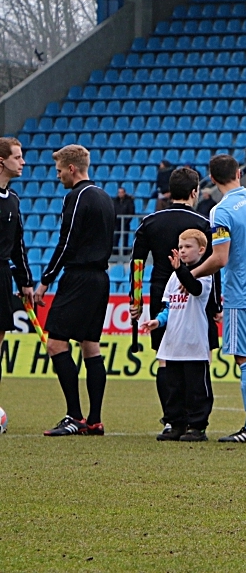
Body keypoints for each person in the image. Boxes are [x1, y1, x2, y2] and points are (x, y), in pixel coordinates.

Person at [191, 154, 246, 443]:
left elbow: (220, 258)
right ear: (239, 173)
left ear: (212, 179)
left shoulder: (221, 211)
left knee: (245, 358)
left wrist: (192, 273)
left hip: (242, 291)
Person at [130, 168, 220, 433]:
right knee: (198, 360)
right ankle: (195, 420)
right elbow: (215, 265)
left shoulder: (150, 221)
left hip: (162, 289)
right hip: (195, 293)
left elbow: (137, 263)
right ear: (194, 192)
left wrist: (135, 300)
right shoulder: (203, 223)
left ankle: (172, 420)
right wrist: (216, 305)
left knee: (165, 360)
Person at [35, 145, 115, 437]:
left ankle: (74, 416)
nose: (57, 177)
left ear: (71, 168)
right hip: (100, 279)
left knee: (56, 343)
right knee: (90, 345)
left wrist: (46, 280)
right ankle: (94, 420)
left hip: (79, 278)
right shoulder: (104, 196)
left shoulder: (77, 196)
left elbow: (66, 243)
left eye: (58, 171)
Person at [139, 229, 218, 442]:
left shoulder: (205, 274)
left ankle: (197, 426)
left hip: (193, 342)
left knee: (196, 389)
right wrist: (158, 321)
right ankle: (176, 423)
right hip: (173, 342)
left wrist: (182, 271)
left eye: (188, 247)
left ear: (202, 250)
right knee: (173, 388)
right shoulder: (174, 277)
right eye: (181, 247)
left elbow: (195, 289)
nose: (183, 251)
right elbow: (169, 308)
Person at [0, 138, 32, 379]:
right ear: (2, 161)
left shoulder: (13, 199)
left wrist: (25, 281)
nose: (23, 162)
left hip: (3, 275)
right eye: (17, 157)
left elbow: (17, 245)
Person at [112, 187, 134, 254]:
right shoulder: (115, 201)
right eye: (119, 192)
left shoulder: (129, 201)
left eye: (121, 192)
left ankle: (125, 252)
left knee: (125, 238)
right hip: (117, 222)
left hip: (125, 222)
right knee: (115, 237)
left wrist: (126, 221)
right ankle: (114, 252)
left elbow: (131, 212)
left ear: (124, 193)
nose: (120, 194)